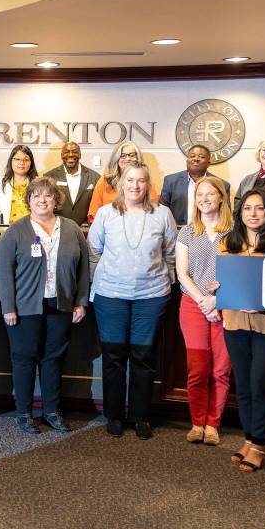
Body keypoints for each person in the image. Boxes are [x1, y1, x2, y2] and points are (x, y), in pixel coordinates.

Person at [89, 162, 176, 439]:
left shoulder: (163, 214)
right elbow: (94, 251)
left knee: (143, 356)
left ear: (148, 185)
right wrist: (103, 279)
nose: (135, 186)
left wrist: (166, 282)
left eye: (141, 181)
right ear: (121, 183)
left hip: (150, 298)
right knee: (114, 356)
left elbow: (172, 254)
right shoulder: (106, 214)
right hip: (111, 296)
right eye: (130, 180)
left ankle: (140, 416)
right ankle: (114, 415)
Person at [0, 177, 89, 434]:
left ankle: (51, 411)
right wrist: (8, 307)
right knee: (24, 359)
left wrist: (80, 302)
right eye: (36, 195)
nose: (42, 200)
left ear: (56, 201)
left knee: (53, 359)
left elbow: (83, 270)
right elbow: (4, 272)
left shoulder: (71, 229)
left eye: (48, 196)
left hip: (61, 304)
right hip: (24, 308)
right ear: (28, 201)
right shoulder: (16, 231)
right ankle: (24, 414)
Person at [218, 190, 265, 471]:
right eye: (247, 208)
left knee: (260, 384)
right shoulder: (228, 243)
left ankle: (259, 445)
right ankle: (249, 439)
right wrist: (218, 288)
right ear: (240, 213)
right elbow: (220, 281)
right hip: (235, 322)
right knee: (244, 385)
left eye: (259, 209)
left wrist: (261, 305)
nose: (253, 213)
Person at [175, 177, 233, 445]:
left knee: (221, 369)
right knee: (197, 368)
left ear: (221, 197)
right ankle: (197, 422)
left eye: (211, 194)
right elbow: (182, 273)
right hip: (193, 306)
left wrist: (217, 300)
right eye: (200, 194)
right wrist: (203, 300)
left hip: (225, 306)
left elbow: (241, 270)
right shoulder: (187, 232)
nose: (205, 198)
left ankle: (213, 424)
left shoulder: (234, 231)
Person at [158, 144, 231, 226]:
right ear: (187, 161)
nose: (196, 159)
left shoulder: (222, 185)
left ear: (208, 163)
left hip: (210, 232)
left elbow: (225, 214)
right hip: (176, 232)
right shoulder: (171, 181)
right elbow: (162, 211)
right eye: (192, 156)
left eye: (201, 157)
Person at [87, 141, 159, 223]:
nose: (128, 158)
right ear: (116, 159)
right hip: (110, 230)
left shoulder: (146, 182)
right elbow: (94, 213)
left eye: (132, 155)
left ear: (138, 158)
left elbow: (154, 211)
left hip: (139, 229)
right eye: (123, 155)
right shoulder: (104, 181)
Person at [43, 141, 100, 227]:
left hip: (86, 230)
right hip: (57, 228)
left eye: (74, 151)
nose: (70, 155)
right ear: (61, 155)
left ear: (80, 155)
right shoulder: (49, 177)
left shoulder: (95, 177)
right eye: (66, 152)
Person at [0, 145, 38, 225]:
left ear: (31, 162)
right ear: (11, 161)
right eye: (17, 159)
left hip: (32, 232)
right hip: (7, 232)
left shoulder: (38, 183)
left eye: (26, 160)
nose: (21, 163)